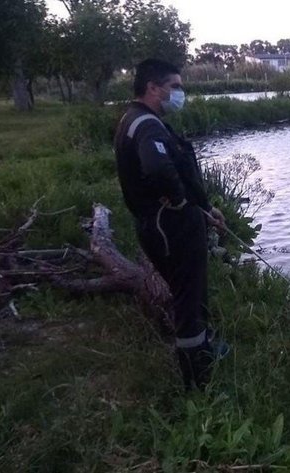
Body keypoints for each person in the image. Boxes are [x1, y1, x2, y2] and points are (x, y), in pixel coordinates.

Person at [114, 58, 227, 390]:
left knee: (193, 292)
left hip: (171, 223)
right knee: (188, 302)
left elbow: (178, 170)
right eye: (175, 86)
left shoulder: (140, 119)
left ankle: (206, 350)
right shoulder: (145, 125)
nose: (181, 92)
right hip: (170, 227)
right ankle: (199, 386)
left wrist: (205, 208)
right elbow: (160, 170)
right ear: (152, 88)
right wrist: (179, 203)